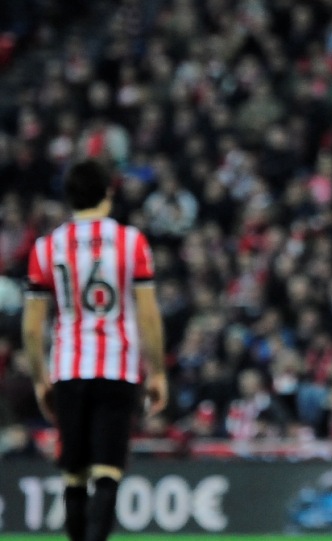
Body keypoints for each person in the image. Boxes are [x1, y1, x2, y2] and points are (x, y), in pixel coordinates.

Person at [21, 159, 167, 541]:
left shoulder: (46, 247)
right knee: (107, 472)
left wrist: (40, 379)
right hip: (118, 368)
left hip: (69, 368)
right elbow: (148, 315)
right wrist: (158, 372)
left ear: (69, 197)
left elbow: (32, 327)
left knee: (74, 473)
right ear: (109, 192)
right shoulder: (131, 242)